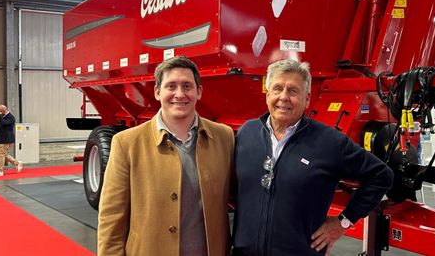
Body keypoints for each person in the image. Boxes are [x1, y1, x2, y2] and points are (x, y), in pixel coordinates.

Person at [232, 59, 393, 256]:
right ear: (267, 94)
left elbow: (381, 175)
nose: (284, 97)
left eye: (293, 91)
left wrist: (344, 221)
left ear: (307, 99)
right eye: (277, 89)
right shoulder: (246, 133)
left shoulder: (329, 142)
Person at [97, 56, 234, 256]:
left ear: (199, 92)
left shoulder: (224, 137)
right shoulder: (126, 143)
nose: (180, 94)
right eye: (171, 86)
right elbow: (112, 217)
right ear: (157, 92)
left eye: (187, 86)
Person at [0, 105, 22, 177]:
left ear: (3, 111)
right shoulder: (4, 117)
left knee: (1, 154)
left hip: (5, 139)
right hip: (2, 138)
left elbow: (4, 123)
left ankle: (0, 171)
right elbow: (1, 128)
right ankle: (17, 163)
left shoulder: (10, 117)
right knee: (3, 154)